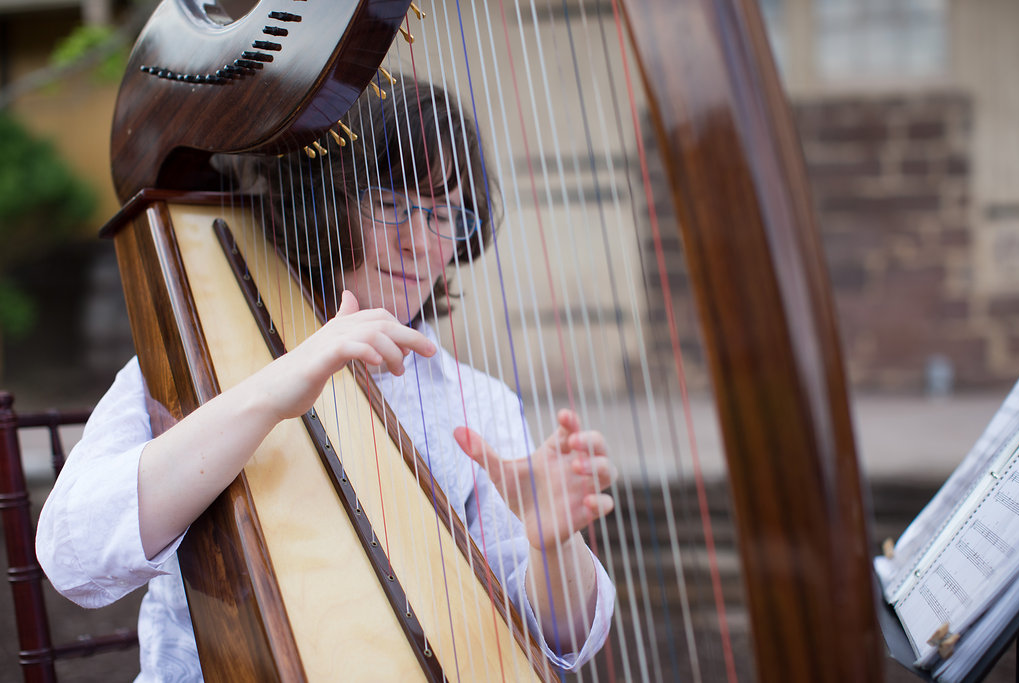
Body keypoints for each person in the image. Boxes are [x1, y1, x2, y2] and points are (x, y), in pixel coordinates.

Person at [36, 77, 617, 679]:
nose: (418, 243)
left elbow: (557, 639)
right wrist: (269, 391)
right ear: (323, 205)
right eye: (389, 204)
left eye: (445, 215)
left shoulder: (480, 402)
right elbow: (71, 556)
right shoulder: (190, 361)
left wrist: (553, 545)